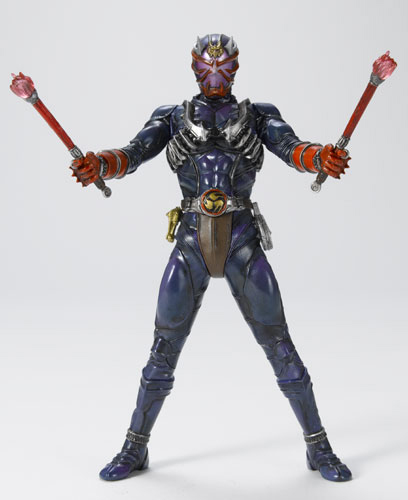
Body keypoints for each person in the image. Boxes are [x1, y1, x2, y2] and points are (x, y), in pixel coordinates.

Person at [71, 34, 352, 482]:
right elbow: (133, 153)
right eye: (207, 67)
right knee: (163, 350)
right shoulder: (172, 117)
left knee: (280, 346)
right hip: (190, 240)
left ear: (235, 69)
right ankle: (135, 447)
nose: (215, 75)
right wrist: (101, 164)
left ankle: (318, 447)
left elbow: (292, 148)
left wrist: (321, 157)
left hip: (242, 239)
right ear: (195, 69)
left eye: (223, 68)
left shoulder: (258, 116)